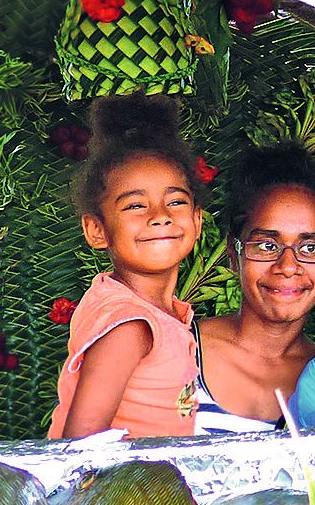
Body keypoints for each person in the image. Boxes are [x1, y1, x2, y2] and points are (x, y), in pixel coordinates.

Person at [191, 144, 315, 431]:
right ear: (233, 254)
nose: (287, 266)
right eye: (266, 245)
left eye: (310, 247)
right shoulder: (178, 350)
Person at [49, 97, 204, 439]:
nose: (160, 215)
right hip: (121, 492)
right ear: (97, 230)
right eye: (135, 205)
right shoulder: (130, 325)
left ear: (197, 219)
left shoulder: (155, 312)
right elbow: (81, 447)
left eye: (176, 201)